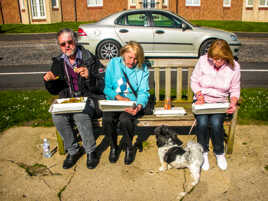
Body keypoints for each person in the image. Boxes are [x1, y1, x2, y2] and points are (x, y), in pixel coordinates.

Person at [43, 28, 105, 169]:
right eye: (63, 44)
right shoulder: (58, 62)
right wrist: (50, 81)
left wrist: (89, 77)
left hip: (90, 99)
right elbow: (54, 91)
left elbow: (102, 85)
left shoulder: (89, 58)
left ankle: (91, 151)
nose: (67, 46)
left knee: (80, 113)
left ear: (75, 41)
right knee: (57, 116)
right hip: (69, 101)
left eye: (69, 42)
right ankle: (73, 151)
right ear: (60, 46)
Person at [191, 39, 241, 171]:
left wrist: (233, 102)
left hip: (219, 101)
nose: (215, 62)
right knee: (201, 123)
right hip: (202, 100)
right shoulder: (203, 60)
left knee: (216, 123)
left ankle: (219, 153)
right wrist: (199, 95)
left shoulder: (234, 67)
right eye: (213, 59)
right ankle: (204, 152)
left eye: (219, 59)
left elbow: (235, 89)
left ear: (227, 56)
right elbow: (194, 81)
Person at [103, 41, 150, 165]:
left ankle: (129, 147)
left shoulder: (142, 68)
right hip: (114, 101)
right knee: (107, 119)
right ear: (123, 54)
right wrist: (118, 97)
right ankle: (113, 147)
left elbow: (143, 92)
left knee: (125, 120)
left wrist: (139, 106)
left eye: (136, 59)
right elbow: (107, 88)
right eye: (130, 57)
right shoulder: (113, 64)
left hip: (132, 102)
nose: (132, 61)